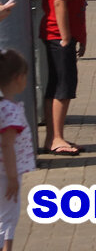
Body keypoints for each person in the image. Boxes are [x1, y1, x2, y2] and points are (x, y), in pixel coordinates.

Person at [40, 0, 86, 156]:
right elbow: (60, 3)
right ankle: (55, 137)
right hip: (58, 35)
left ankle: (54, 137)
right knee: (63, 88)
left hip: (57, 34)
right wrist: (67, 37)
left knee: (56, 86)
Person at [0, 50, 34, 250]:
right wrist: (12, 176)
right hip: (6, 173)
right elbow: (7, 144)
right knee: (9, 215)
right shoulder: (10, 109)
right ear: (18, 78)